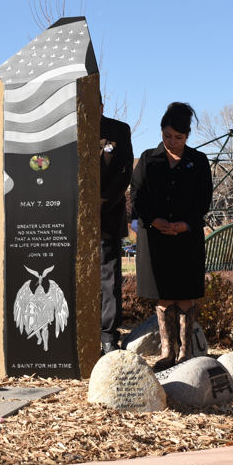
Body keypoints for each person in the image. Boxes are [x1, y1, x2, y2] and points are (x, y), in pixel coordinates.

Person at [130, 102, 212, 371]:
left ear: (187, 136)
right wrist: (155, 220)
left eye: (179, 137)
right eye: (167, 136)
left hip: (186, 237)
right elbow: (138, 195)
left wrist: (185, 224)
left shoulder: (198, 161)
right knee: (163, 293)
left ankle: (186, 352)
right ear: (161, 132)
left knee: (186, 293)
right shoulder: (147, 158)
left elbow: (203, 200)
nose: (172, 142)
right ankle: (167, 352)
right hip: (155, 238)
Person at [98, 98, 134, 354]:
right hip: (68, 221)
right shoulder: (66, 131)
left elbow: (124, 173)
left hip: (106, 217)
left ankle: (108, 335)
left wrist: (98, 207)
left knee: (109, 279)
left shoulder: (119, 130)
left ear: (100, 106)